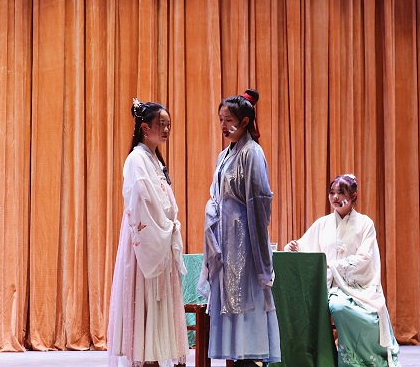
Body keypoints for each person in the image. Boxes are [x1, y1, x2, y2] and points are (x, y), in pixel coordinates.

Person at [198, 89, 281, 367]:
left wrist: (262, 258)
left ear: (245, 122)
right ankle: (238, 356)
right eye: (221, 120)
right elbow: (216, 193)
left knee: (248, 298)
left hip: (244, 241)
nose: (223, 126)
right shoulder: (225, 155)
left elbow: (258, 205)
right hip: (226, 241)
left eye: (229, 120)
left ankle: (253, 359)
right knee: (231, 303)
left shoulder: (252, 153)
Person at [285, 174, 400, 367]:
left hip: (358, 286)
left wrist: (335, 265)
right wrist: (294, 246)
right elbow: (306, 247)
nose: (335, 197)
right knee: (337, 307)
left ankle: (368, 357)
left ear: (353, 196)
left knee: (360, 313)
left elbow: (365, 258)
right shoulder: (323, 223)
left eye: (341, 193)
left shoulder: (365, 224)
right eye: (332, 193)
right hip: (330, 287)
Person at [108, 98, 188, 367]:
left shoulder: (154, 160)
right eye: (161, 124)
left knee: (158, 303)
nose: (166, 130)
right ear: (145, 128)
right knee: (145, 300)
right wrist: (164, 227)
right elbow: (141, 201)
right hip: (147, 241)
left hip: (161, 237)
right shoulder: (136, 159)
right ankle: (145, 358)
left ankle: (154, 355)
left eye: (168, 125)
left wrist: (168, 225)